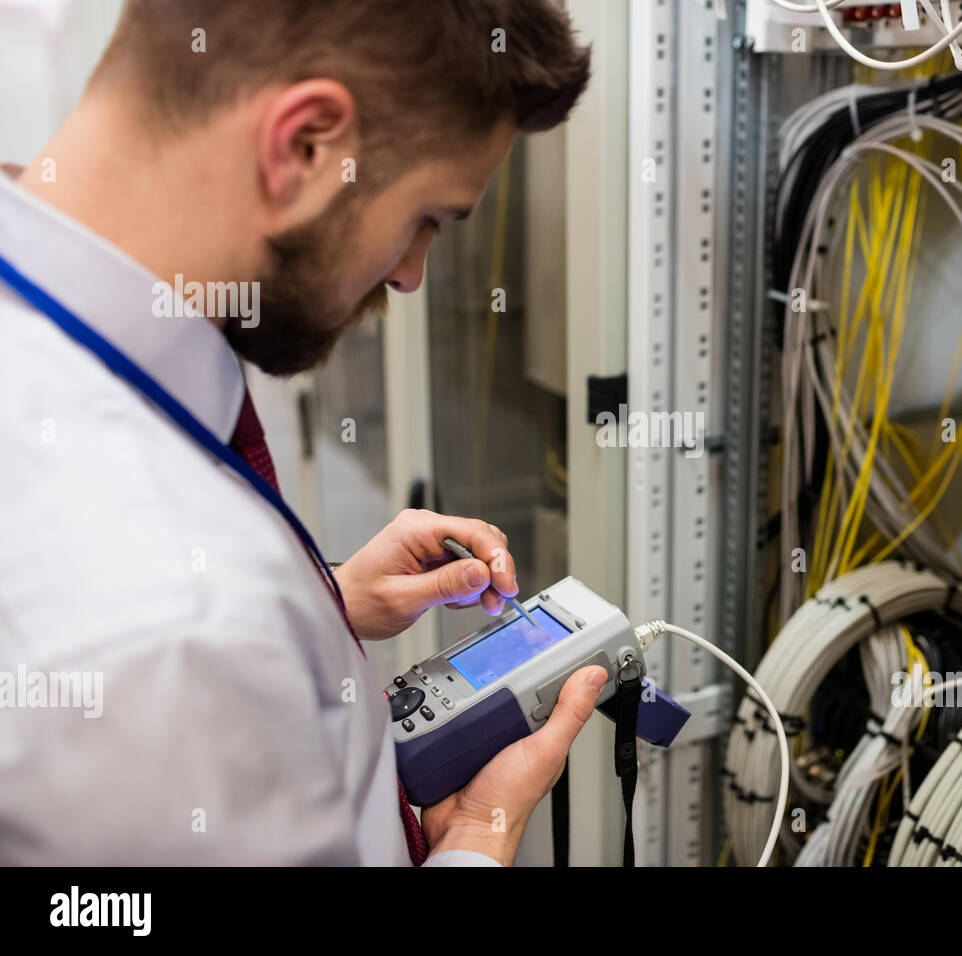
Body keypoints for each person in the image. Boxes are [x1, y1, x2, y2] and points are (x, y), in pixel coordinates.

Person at [0, 0, 597, 866]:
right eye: (426, 217)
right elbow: (169, 650)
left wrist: (323, 603)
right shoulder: (178, 640)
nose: (410, 276)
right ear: (307, 146)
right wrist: (474, 843)